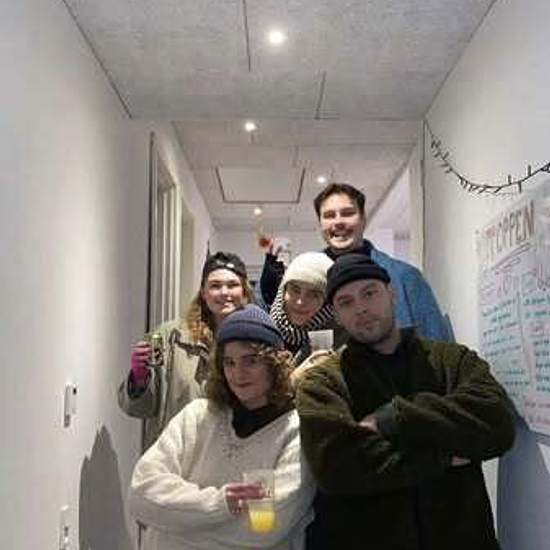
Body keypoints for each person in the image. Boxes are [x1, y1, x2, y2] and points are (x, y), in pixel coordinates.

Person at [295, 254, 516, 550]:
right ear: (336, 314)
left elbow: (497, 423)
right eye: (346, 302)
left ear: (392, 293)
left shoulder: (451, 361)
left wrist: (394, 417)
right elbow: (336, 466)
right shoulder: (324, 381)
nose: (361, 308)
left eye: (369, 293)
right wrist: (441, 456)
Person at [127, 304, 315, 550]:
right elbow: (141, 495)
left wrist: (173, 526)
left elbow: (264, 530)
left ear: (274, 363)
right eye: (229, 362)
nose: (238, 373)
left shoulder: (294, 432)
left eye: (251, 360)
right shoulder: (197, 416)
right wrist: (220, 503)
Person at [260, 182, 450, 340]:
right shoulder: (307, 279)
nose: (338, 222)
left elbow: (436, 347)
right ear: (320, 225)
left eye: (347, 213)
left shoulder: (405, 277)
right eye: (329, 216)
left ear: (363, 219)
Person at [118, 251, 253, 450]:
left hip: (234, 453)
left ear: (244, 291)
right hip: (177, 455)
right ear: (203, 293)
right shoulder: (170, 337)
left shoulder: (257, 342)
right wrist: (139, 380)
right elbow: (141, 409)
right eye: (215, 286)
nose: (224, 292)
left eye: (232, 285)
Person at [269, 252, 335, 364]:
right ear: (284, 291)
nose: (300, 302)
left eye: (314, 294)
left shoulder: (339, 338)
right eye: (295, 290)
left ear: (326, 302)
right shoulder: (262, 330)